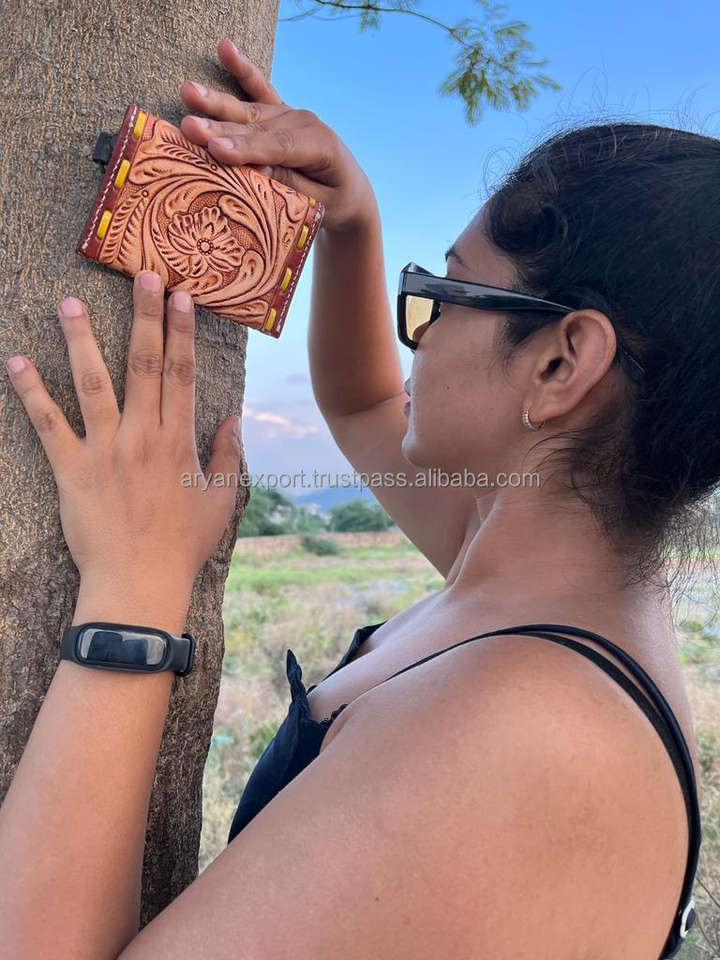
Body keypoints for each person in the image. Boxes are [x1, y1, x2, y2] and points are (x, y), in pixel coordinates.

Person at [0, 35, 707, 960]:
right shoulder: (538, 571)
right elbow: (367, 405)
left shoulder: (526, 735)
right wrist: (350, 220)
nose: (421, 331)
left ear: (561, 362)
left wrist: (135, 588)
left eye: (443, 289)